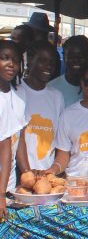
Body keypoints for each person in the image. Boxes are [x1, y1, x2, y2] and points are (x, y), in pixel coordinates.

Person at [16, 41, 64, 171]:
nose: (49, 66)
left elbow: (59, 138)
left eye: (52, 62)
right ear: (30, 61)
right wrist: (26, 171)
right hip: (20, 172)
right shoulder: (17, 93)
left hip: (47, 173)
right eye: (43, 60)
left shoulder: (57, 96)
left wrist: (52, 171)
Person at [0, 41, 30, 219]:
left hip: (9, 186)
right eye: (4, 58)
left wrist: (27, 175)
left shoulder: (20, 94)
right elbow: (4, 146)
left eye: (16, 59)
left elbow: (18, 140)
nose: (11, 64)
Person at [48, 35, 88, 107]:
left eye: (81, 56)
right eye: (71, 56)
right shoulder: (50, 88)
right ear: (64, 57)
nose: (76, 60)